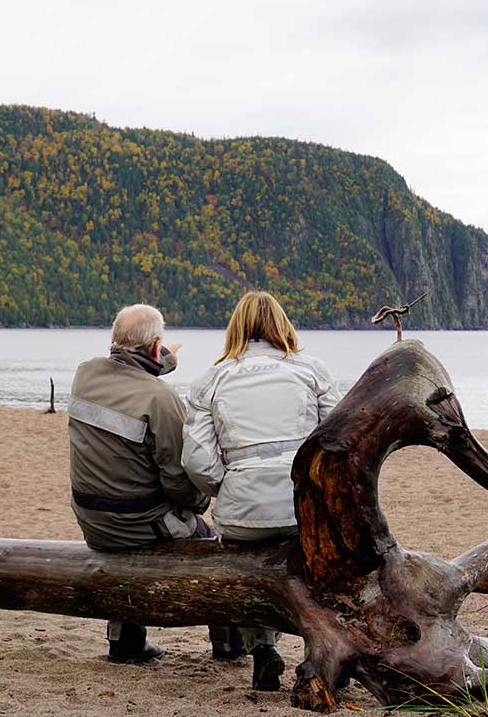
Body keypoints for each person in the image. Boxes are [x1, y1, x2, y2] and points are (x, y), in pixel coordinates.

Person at [182, 291, 342, 691]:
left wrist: (228, 484)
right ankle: (321, 651)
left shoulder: (210, 379)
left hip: (242, 511)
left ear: (236, 328)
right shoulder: (312, 371)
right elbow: (338, 442)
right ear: (282, 325)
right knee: (318, 571)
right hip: (299, 510)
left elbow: (196, 460)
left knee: (249, 570)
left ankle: (262, 649)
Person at [68, 303, 243, 664]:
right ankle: (230, 646)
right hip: (138, 526)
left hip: (92, 520)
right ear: (153, 349)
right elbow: (180, 483)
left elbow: (130, 374)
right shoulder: (162, 400)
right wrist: (197, 505)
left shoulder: (84, 375)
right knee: (213, 546)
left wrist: (162, 359)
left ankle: (125, 643)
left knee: (128, 512)